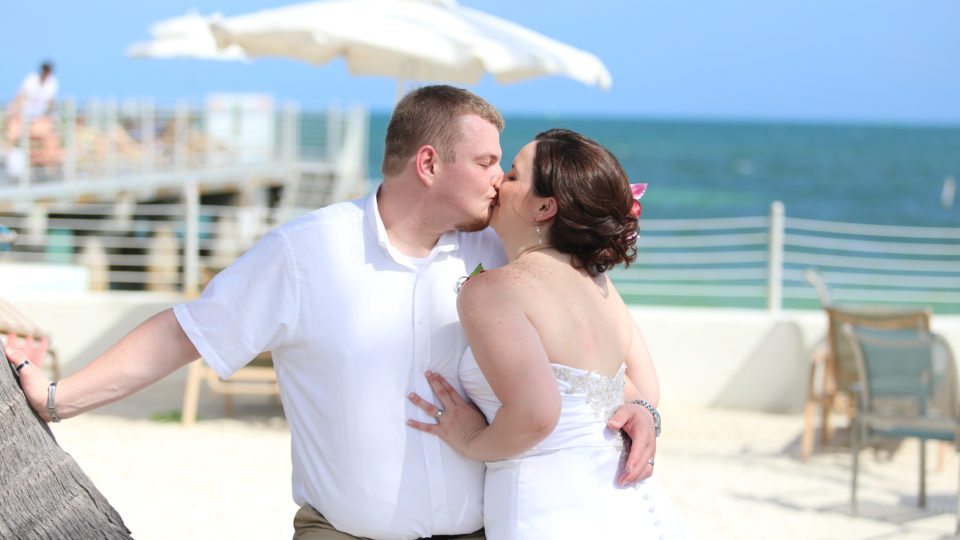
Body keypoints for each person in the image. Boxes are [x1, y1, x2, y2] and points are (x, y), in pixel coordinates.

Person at [6, 86, 659, 540]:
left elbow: (602, 335)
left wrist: (645, 409)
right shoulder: (306, 252)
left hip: (486, 532)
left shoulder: (503, 248)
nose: (498, 180)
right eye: (489, 161)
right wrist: (58, 398)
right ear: (430, 163)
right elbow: (187, 332)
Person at [407, 129, 686, 539]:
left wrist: (470, 439)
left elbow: (537, 414)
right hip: (629, 499)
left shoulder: (492, 290)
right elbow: (644, 386)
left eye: (515, 175)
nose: (499, 180)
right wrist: (645, 414)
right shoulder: (600, 285)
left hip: (547, 509)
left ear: (544, 207)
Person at [4, 61, 62, 166]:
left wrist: (53, 117)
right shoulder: (31, 80)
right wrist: (15, 112)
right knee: (12, 135)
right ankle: (8, 158)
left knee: (50, 139)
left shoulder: (52, 83)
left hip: (39, 118)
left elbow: (51, 102)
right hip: (24, 116)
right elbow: (21, 96)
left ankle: (48, 166)